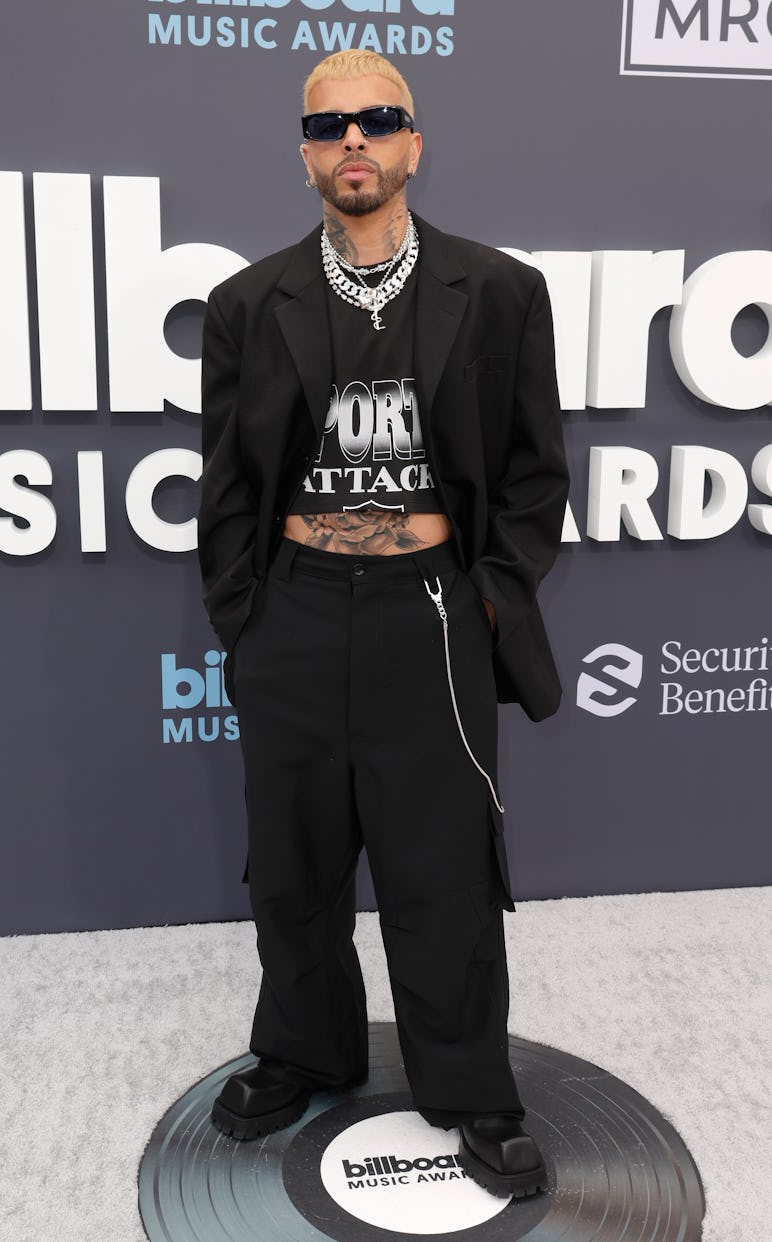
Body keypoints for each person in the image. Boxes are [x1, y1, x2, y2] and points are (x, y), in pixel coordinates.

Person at [198, 49, 568, 1200]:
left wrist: (489, 599)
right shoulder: (248, 305)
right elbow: (226, 495)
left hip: (434, 614)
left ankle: (468, 1089)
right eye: (329, 126)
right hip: (296, 620)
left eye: (377, 119)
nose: (352, 140)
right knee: (295, 867)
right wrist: (247, 627)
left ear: (415, 142)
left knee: (443, 868)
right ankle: (304, 1050)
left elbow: (532, 476)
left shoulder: (498, 291)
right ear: (305, 152)